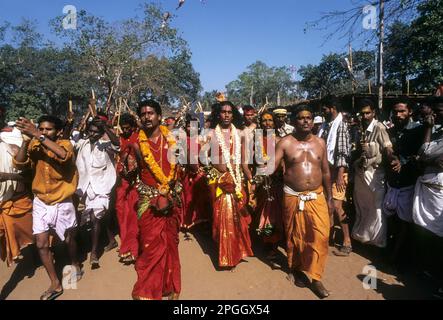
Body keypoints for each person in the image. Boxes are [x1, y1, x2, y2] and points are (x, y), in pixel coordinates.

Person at [14, 115, 81, 300]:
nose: (43, 132)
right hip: (41, 201)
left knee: (68, 239)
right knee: (41, 244)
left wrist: (36, 134)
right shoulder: (34, 145)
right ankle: (56, 284)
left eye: (48, 129)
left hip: (62, 201)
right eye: (41, 129)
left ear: (58, 131)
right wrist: (26, 142)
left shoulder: (66, 144)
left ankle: (74, 263)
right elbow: (19, 163)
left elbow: (64, 156)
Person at [273, 105, 333, 299]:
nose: (305, 121)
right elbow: (272, 166)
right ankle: (297, 268)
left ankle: (316, 278)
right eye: (301, 118)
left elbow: (325, 171)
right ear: (294, 121)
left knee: (321, 236)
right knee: (296, 235)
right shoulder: (285, 143)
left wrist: (330, 198)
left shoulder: (320, 143)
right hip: (293, 196)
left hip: (317, 196)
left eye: (308, 117)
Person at [131, 100, 183, 300]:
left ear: (159, 116)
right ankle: (148, 289)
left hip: (170, 198)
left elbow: (179, 170)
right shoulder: (137, 144)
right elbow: (134, 173)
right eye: (143, 114)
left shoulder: (173, 140)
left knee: (170, 244)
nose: (146, 117)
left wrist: (171, 193)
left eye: (151, 113)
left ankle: (168, 287)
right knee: (150, 244)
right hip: (149, 200)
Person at [206, 101, 253, 269]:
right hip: (219, 181)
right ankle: (226, 254)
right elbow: (203, 157)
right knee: (223, 217)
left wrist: (250, 178)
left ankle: (237, 251)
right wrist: (216, 165)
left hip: (237, 180)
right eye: (223, 112)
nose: (226, 115)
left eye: (229, 112)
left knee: (238, 217)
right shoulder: (211, 134)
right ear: (218, 114)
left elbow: (245, 161)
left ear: (233, 115)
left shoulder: (240, 134)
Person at [384, 98, 425, 266]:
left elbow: (421, 155)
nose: (398, 114)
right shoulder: (392, 131)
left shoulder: (418, 130)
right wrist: (391, 156)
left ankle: (397, 256)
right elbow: (388, 151)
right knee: (392, 218)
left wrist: (404, 162)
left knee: (404, 222)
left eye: (402, 111)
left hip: (408, 183)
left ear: (410, 112)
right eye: (396, 111)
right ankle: (396, 251)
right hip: (393, 183)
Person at [75, 117, 120, 268]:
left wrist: (106, 128)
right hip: (86, 187)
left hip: (103, 186)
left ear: (101, 133)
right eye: (91, 131)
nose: (93, 134)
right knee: (99, 218)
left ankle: (94, 253)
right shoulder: (82, 144)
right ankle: (111, 240)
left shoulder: (106, 145)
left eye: (96, 132)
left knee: (95, 218)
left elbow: (118, 144)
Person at [242, 111, 283, 267]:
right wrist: (252, 180)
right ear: (260, 122)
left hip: (277, 183)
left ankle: (273, 244)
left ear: (274, 122)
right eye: (264, 120)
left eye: (270, 120)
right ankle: (268, 246)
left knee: (276, 215)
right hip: (261, 184)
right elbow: (245, 164)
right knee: (264, 215)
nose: (267, 123)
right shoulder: (254, 141)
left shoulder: (280, 141)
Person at [351, 99, 393, 248]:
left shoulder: (379, 127)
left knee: (377, 208)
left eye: (368, 113)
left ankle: (378, 242)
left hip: (375, 174)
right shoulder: (359, 128)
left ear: (373, 113)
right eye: (362, 113)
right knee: (362, 206)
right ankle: (364, 238)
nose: (365, 116)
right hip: (361, 172)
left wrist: (392, 157)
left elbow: (387, 146)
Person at [319, 96, 352, 256]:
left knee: (338, 207)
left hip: (338, 172)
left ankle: (347, 241)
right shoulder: (326, 126)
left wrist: (340, 175)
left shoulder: (341, 126)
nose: (322, 112)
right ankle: (329, 238)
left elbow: (342, 153)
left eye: (324, 109)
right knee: (328, 206)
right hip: (326, 173)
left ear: (332, 108)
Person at [0, 106, 33, 267]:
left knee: (38, 238)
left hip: (18, 201)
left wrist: (8, 177)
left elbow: (29, 176)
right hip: (3, 205)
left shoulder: (13, 142)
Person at [413, 97, 443, 236]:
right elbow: (422, 155)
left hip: (439, 187)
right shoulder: (436, 132)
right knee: (426, 229)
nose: (434, 115)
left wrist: (426, 160)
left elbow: (424, 154)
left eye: (439, 111)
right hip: (430, 186)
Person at [115, 113, 139, 264]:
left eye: (128, 128)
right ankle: (126, 243)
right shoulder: (121, 138)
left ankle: (133, 249)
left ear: (133, 127)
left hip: (136, 182)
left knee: (133, 217)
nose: (125, 131)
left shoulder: (138, 137)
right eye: (123, 129)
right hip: (123, 182)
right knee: (121, 212)